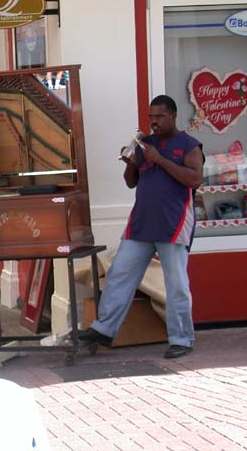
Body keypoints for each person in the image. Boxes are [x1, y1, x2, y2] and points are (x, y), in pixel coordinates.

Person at [79, 95, 204, 359]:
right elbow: (131, 182)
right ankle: (104, 329)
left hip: (173, 224)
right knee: (119, 275)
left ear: (172, 115)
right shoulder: (144, 144)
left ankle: (181, 339)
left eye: (159, 117)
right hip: (141, 224)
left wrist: (159, 160)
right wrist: (131, 164)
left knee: (176, 284)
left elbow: (194, 179)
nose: (154, 122)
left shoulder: (189, 146)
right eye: (151, 117)